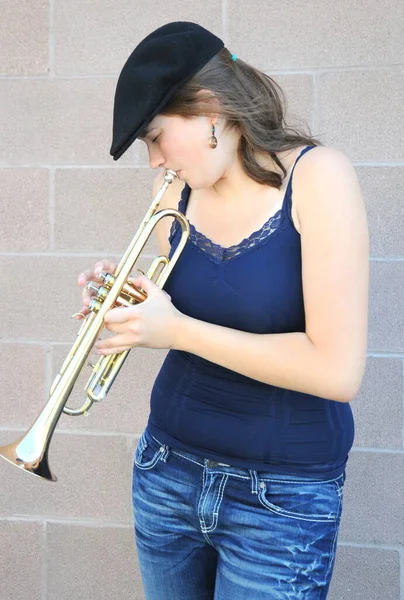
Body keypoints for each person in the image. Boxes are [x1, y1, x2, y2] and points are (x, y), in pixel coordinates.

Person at [76, 21, 369, 600]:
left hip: (281, 501)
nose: (154, 160)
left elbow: (338, 372)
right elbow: (194, 314)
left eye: (157, 137)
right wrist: (126, 303)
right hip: (167, 472)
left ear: (210, 109)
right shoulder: (173, 196)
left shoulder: (318, 178)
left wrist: (177, 329)